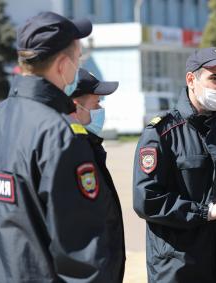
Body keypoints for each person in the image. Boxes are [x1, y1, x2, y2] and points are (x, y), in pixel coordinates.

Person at [0, 12, 124, 282]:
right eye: (78, 58)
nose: (78, 65)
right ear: (62, 65)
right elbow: (83, 260)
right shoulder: (60, 137)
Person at [133, 47, 216, 283]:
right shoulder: (162, 133)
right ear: (191, 80)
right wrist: (207, 212)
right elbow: (147, 199)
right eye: (214, 78)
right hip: (179, 265)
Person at [70, 68, 126, 281]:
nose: (101, 109)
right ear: (77, 106)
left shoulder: (89, 146)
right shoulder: (72, 152)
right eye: (96, 104)